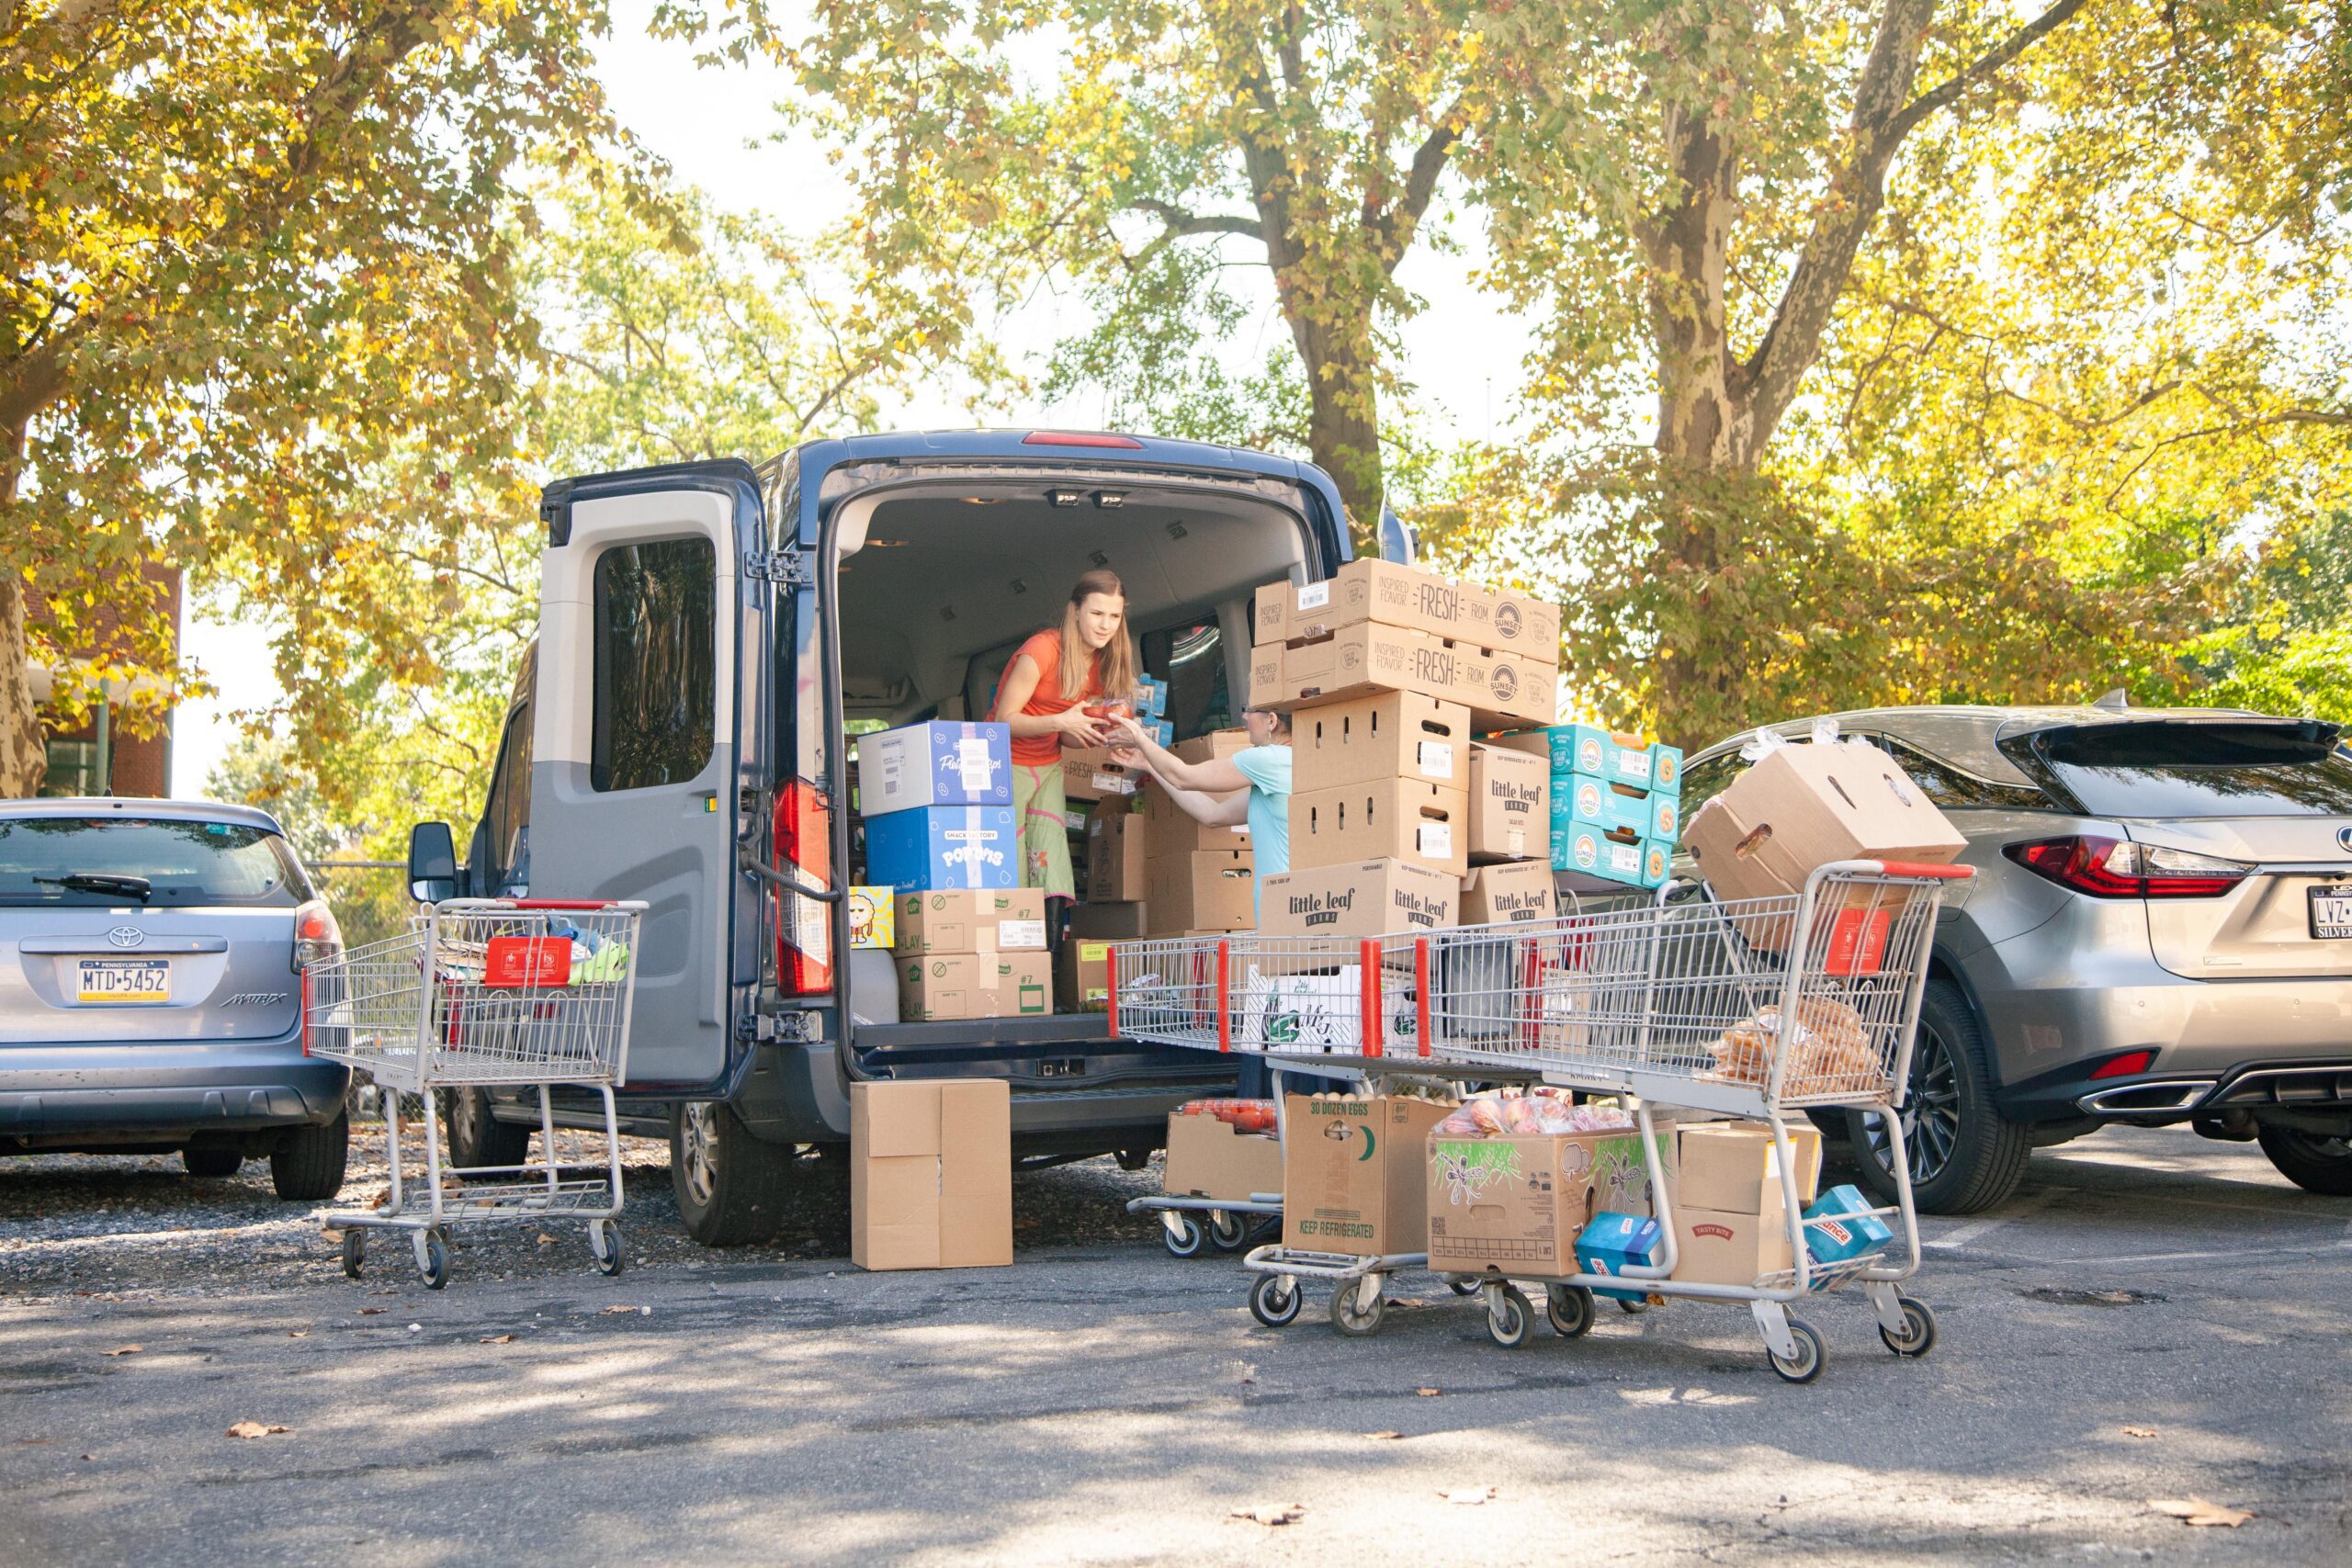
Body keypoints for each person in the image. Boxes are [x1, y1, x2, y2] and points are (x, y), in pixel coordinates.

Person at [989, 569, 1137, 901]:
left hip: (1049, 765)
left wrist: (1101, 734)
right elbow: (1003, 722)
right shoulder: (1041, 651)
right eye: (1097, 613)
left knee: (1051, 857)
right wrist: (1063, 722)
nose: (1105, 625)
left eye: (1114, 616)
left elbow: (1069, 734)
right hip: (1004, 766)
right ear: (1075, 611)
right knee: (1009, 859)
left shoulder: (1105, 662)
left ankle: (1049, 950)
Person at [1107, 705, 1293, 918]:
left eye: (1249, 709)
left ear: (1271, 720)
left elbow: (1183, 777)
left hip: (1281, 905)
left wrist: (1139, 736)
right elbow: (1213, 814)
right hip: (1294, 902)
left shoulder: (1269, 759)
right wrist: (1150, 765)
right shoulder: (1288, 765)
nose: (1244, 716)